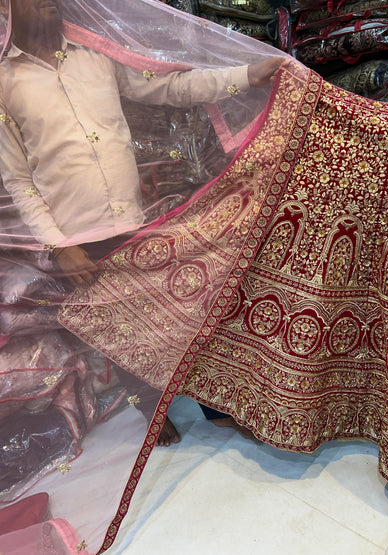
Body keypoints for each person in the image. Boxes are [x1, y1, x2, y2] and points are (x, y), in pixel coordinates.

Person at [0, 0, 287, 446]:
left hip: (135, 220)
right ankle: (151, 410)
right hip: (79, 238)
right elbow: (18, 179)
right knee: (120, 330)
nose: (47, 2)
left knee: (187, 311)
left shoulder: (95, 54)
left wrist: (248, 75)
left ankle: (217, 409)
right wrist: (58, 245)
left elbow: (168, 88)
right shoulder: (4, 81)